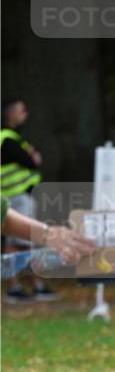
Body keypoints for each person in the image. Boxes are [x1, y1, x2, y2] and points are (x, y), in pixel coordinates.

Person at [1, 97, 58, 302]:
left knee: (23, 241)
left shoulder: (13, 138)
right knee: (20, 241)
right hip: (15, 196)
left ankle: (30, 285)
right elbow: (30, 161)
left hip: (17, 196)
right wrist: (32, 155)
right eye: (21, 111)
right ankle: (19, 286)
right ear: (10, 114)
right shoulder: (7, 139)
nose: (25, 115)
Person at [1, 193, 95, 260]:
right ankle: (16, 286)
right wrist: (48, 234)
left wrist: (47, 234)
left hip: (22, 198)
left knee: (25, 248)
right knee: (20, 246)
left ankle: (33, 285)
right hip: (17, 197)